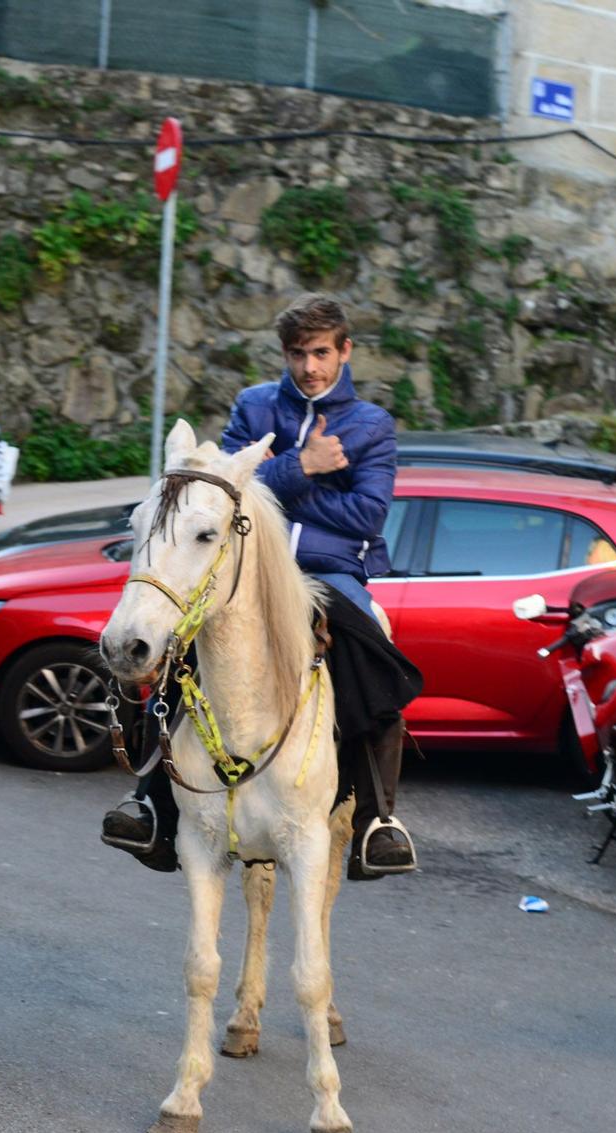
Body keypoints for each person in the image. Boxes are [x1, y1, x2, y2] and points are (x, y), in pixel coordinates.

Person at [102, 295, 421, 880]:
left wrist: (277, 482)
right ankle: (151, 801)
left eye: (322, 353)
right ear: (285, 353)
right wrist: (306, 465)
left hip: (328, 571)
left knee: (373, 645)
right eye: (299, 354)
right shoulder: (254, 406)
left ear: (345, 351)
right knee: (175, 637)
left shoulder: (372, 426)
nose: (310, 367)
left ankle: (377, 819)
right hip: (244, 563)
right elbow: (221, 490)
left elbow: (368, 516)